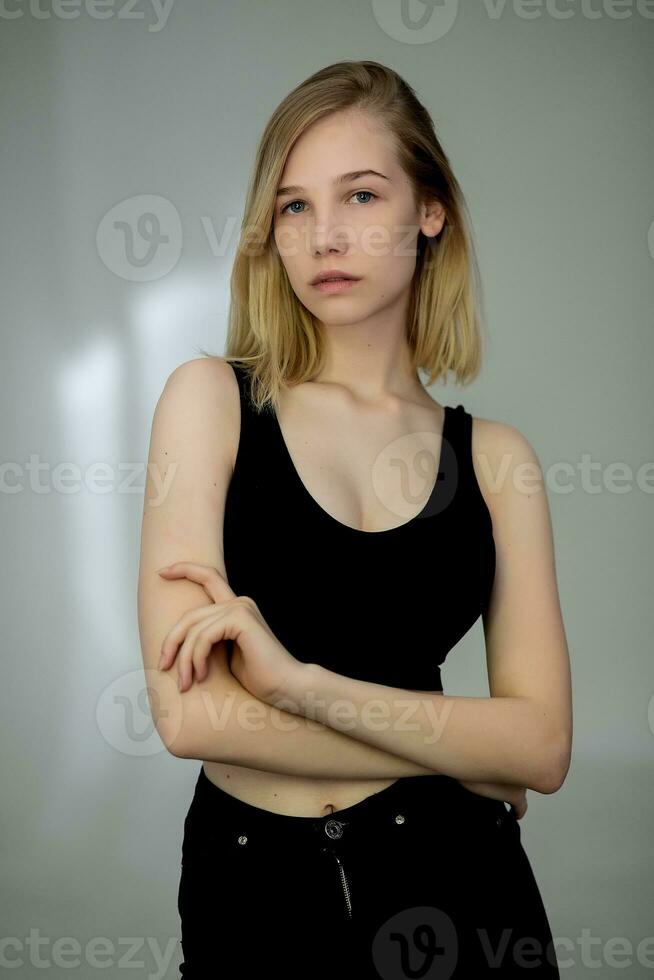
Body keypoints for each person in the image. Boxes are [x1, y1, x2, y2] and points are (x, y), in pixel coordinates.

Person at [138, 60, 572, 979]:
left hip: (465, 886)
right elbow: (190, 716)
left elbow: (541, 744)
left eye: (361, 195)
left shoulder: (496, 459)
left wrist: (295, 685)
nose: (324, 235)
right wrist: (460, 756)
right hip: (256, 893)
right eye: (293, 207)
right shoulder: (210, 400)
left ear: (431, 209)